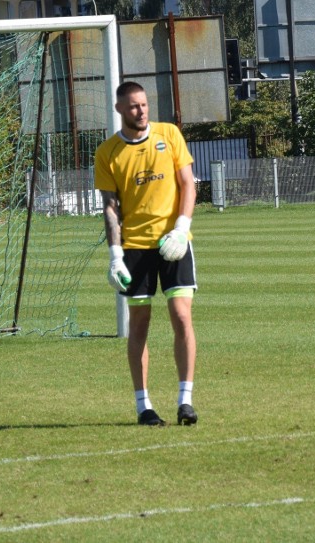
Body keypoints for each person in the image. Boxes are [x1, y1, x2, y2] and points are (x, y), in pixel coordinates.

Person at [94, 81, 199, 427]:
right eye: (134, 106)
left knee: (182, 316)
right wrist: (114, 255)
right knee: (138, 324)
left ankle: (185, 401)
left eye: (144, 105)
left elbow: (188, 185)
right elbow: (110, 207)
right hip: (134, 247)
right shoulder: (107, 152)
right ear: (120, 109)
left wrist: (182, 228)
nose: (141, 111)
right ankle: (144, 407)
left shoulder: (169, 135)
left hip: (174, 242)